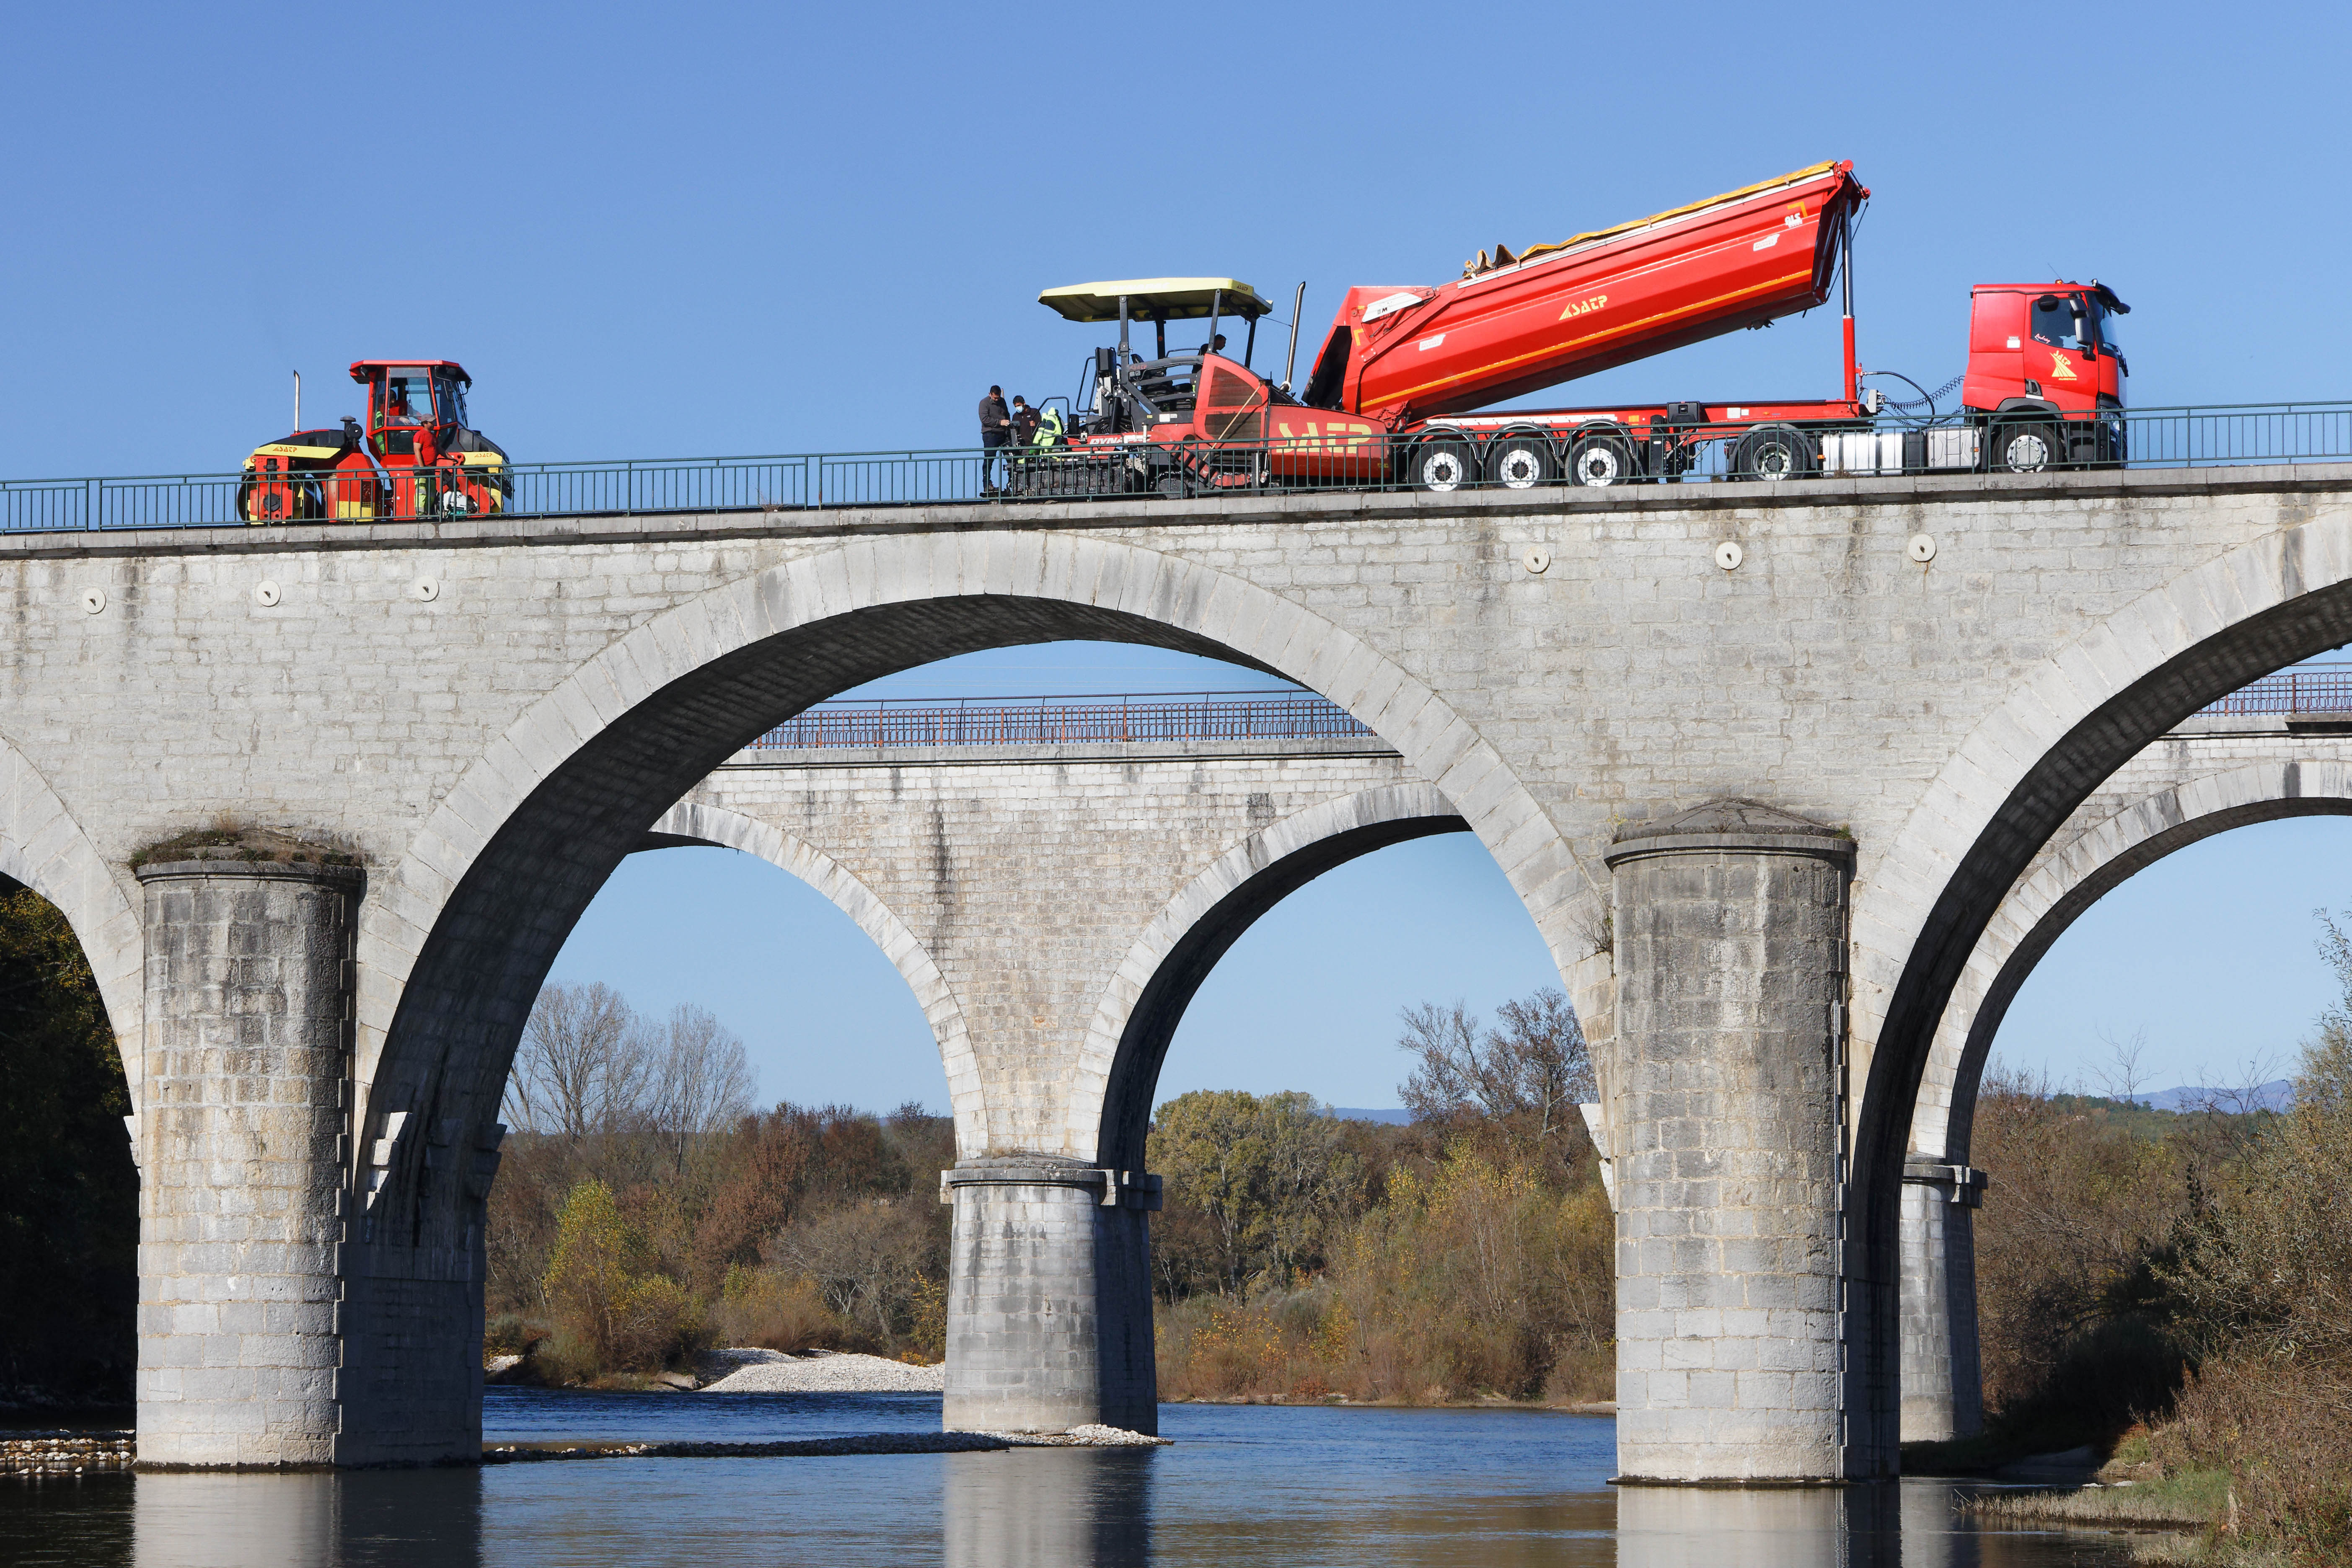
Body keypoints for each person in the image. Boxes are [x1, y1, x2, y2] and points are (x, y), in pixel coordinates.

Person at [978, 385, 1011, 492]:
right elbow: (985, 419)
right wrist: (999, 422)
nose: (997, 400)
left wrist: (1008, 425)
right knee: (989, 461)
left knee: (1011, 459)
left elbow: (1007, 414)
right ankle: (987, 485)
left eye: (998, 398)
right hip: (990, 435)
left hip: (1004, 435)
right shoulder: (984, 403)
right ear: (990, 395)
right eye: (995, 398)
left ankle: (1012, 483)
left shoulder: (1003, 402)